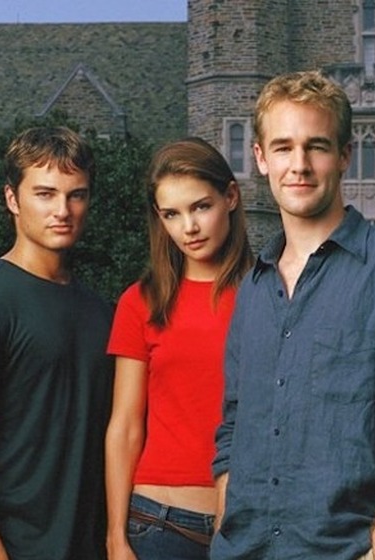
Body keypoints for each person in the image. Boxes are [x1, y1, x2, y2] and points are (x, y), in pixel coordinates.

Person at [210, 70, 375, 560]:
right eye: (283, 148)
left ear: (345, 155)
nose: (299, 165)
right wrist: (227, 525)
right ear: (261, 158)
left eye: (317, 146)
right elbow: (234, 425)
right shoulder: (254, 287)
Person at [0, 126, 113, 560]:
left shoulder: (101, 311)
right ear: (12, 199)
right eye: (45, 194)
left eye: (76, 195)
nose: (63, 210)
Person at [105, 137, 254, 560]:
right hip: (159, 523)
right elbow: (125, 426)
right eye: (172, 214)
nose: (188, 227)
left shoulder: (269, 294)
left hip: (250, 524)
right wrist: (116, 536)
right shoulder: (140, 302)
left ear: (230, 197)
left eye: (200, 207)